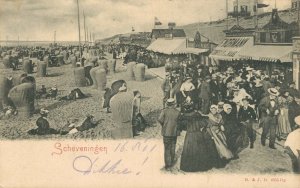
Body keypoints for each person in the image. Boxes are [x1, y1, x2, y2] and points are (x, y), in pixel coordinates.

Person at [179, 102, 219, 172]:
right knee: (200, 149)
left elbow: (182, 126)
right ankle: (201, 166)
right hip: (198, 134)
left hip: (189, 135)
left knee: (189, 149)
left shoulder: (184, 116)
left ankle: (190, 166)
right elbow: (204, 122)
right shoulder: (197, 115)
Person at [158, 98, 181, 171]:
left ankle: (168, 164)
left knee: (167, 148)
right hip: (174, 132)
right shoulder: (177, 112)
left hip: (166, 132)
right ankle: (172, 161)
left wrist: (164, 125)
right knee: (173, 146)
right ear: (174, 104)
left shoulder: (164, 111)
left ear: (167, 104)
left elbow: (160, 119)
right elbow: (180, 122)